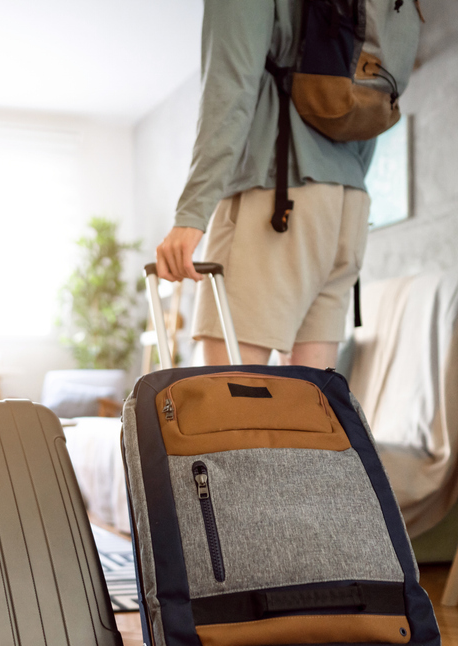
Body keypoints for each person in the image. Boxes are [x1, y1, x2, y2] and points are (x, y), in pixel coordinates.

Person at [155, 0, 386, 370]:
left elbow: (229, 88)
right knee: (309, 408)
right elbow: (373, 103)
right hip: (347, 207)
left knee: (226, 408)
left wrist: (192, 213)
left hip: (276, 200)